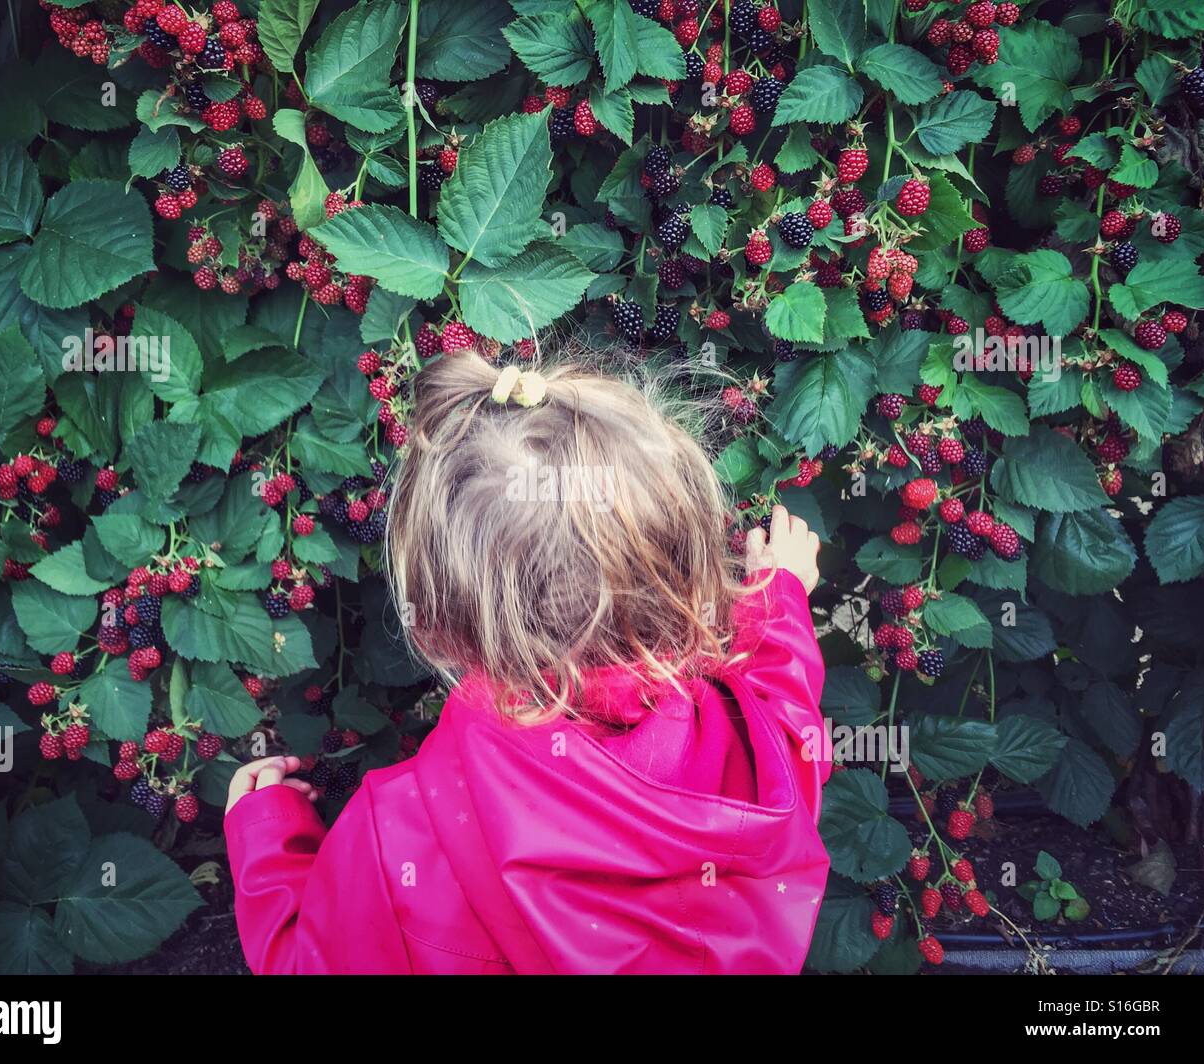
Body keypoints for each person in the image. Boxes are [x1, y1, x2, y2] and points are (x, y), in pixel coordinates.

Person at [225, 348, 830, 974]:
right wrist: (779, 595)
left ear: (432, 629)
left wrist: (268, 843)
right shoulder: (755, 759)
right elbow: (789, 719)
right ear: (692, 583)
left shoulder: (394, 837)